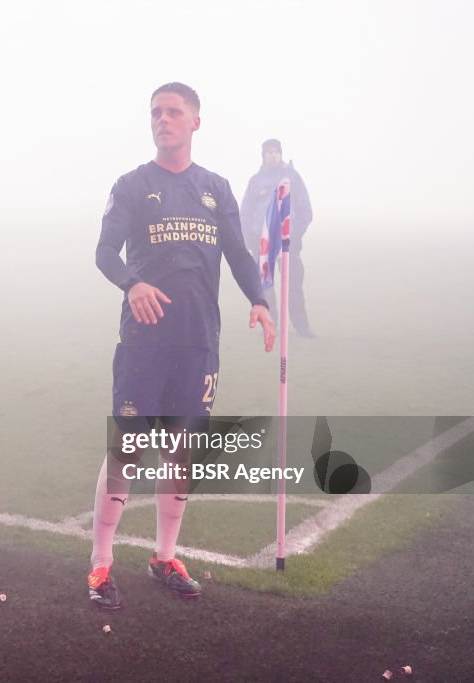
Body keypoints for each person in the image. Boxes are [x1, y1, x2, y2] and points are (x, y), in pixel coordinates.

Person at [89, 82, 275, 609]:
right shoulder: (131, 185)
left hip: (199, 342)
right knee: (127, 448)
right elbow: (104, 252)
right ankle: (101, 565)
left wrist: (259, 300)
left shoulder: (215, 188)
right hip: (144, 343)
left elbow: (238, 254)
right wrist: (133, 283)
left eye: (174, 112)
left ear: (196, 122)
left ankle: (164, 556)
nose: (163, 120)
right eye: (156, 113)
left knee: (181, 451)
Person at [240, 138, 315, 337]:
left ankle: (302, 328)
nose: (272, 155)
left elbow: (305, 209)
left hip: (288, 243)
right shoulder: (255, 181)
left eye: (276, 152)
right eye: (268, 152)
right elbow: (245, 212)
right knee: (265, 287)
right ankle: (270, 326)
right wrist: (250, 238)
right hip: (262, 243)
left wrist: (295, 235)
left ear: (280, 154)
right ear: (263, 156)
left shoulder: (293, 178)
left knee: (293, 288)